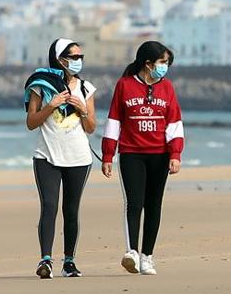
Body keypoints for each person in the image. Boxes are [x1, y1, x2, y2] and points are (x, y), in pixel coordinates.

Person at [101, 40, 184, 276]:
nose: (165, 67)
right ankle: (132, 253)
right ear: (147, 64)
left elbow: (174, 123)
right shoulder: (124, 85)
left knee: (154, 205)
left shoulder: (167, 88)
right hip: (131, 154)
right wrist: (108, 154)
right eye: (162, 62)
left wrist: (175, 153)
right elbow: (114, 120)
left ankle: (148, 256)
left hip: (160, 155)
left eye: (167, 63)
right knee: (134, 203)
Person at [25, 38, 96, 279]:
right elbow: (31, 123)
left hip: (79, 158)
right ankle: (45, 260)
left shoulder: (86, 88)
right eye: (74, 57)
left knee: (71, 209)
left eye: (80, 57)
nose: (78, 61)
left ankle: (69, 261)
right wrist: (52, 105)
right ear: (60, 59)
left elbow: (91, 127)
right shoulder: (40, 85)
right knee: (49, 206)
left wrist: (82, 109)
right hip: (47, 156)